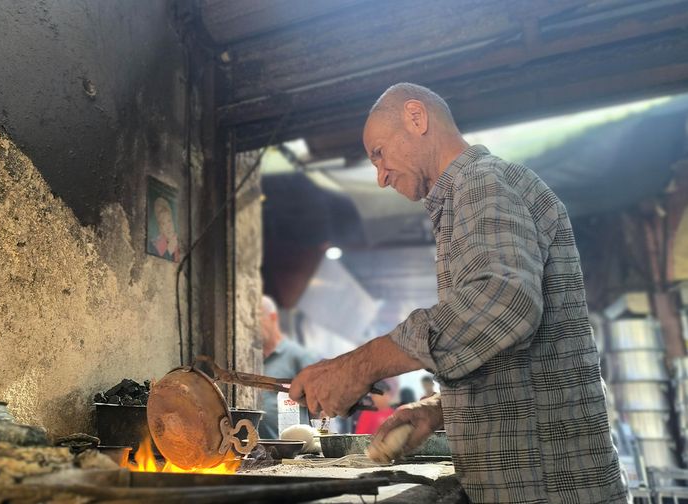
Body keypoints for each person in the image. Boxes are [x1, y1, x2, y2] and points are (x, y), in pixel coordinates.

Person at [288, 83, 626, 503]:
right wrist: (435, 408)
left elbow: (506, 302)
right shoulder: (471, 193)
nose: (380, 177)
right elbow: (509, 357)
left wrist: (361, 365)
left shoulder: (481, 182)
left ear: (416, 118)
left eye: (379, 153)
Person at [257, 295, 319, 439]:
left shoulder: (298, 356)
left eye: (257, 322)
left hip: (294, 452)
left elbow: (318, 406)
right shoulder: (250, 359)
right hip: (257, 451)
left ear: (272, 318)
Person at [151, 197, 179, 261]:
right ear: (160, 228)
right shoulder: (155, 246)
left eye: (169, 221)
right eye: (163, 224)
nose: (168, 227)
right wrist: (169, 251)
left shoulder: (182, 242)